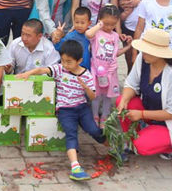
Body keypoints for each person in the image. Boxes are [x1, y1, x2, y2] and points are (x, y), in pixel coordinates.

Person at [16, 40, 105, 181]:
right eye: (63, 60)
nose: (65, 65)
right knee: (71, 134)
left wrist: (86, 88)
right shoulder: (59, 69)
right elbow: (42, 70)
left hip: (82, 108)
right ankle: (75, 167)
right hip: (65, 110)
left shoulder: (86, 74)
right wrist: (29, 73)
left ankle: (111, 146)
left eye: (69, 62)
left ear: (79, 61)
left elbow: (93, 96)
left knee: (93, 130)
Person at [117, 28, 172, 167]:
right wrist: (124, 99)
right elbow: (131, 83)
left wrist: (141, 114)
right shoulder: (143, 59)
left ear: (159, 54)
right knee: (122, 101)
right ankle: (132, 139)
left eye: (147, 50)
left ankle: (169, 147)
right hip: (149, 110)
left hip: (169, 122)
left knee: (142, 145)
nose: (143, 53)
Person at [85, 5, 131, 125]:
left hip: (111, 72)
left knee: (107, 96)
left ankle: (104, 116)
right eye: (106, 24)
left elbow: (116, 53)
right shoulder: (96, 33)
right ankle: (95, 116)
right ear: (100, 20)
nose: (109, 27)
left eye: (113, 24)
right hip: (97, 71)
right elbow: (88, 34)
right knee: (96, 95)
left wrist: (128, 47)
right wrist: (99, 25)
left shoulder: (115, 36)